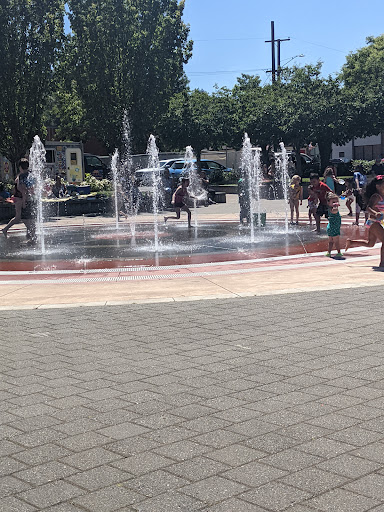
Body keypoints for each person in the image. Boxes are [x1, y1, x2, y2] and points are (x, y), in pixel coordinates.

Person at [345, 175, 384, 267]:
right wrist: (375, 213)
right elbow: (368, 207)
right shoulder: (376, 196)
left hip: (378, 222)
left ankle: (351, 242)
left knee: (370, 244)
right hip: (373, 222)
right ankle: (382, 263)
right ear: (377, 186)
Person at [2, 159, 34, 240]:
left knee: (20, 217)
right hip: (20, 199)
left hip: (19, 198)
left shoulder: (21, 175)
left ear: (20, 167)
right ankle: (30, 234)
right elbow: (23, 189)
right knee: (22, 217)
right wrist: (24, 201)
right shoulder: (25, 175)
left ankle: (29, 234)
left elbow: (20, 188)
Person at [325, 192, 343, 259]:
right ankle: (339, 252)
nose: (335, 203)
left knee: (330, 241)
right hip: (334, 228)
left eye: (336, 201)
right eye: (333, 202)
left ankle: (329, 252)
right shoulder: (333, 209)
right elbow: (335, 210)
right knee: (336, 241)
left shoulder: (330, 209)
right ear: (328, 203)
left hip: (331, 226)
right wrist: (336, 206)